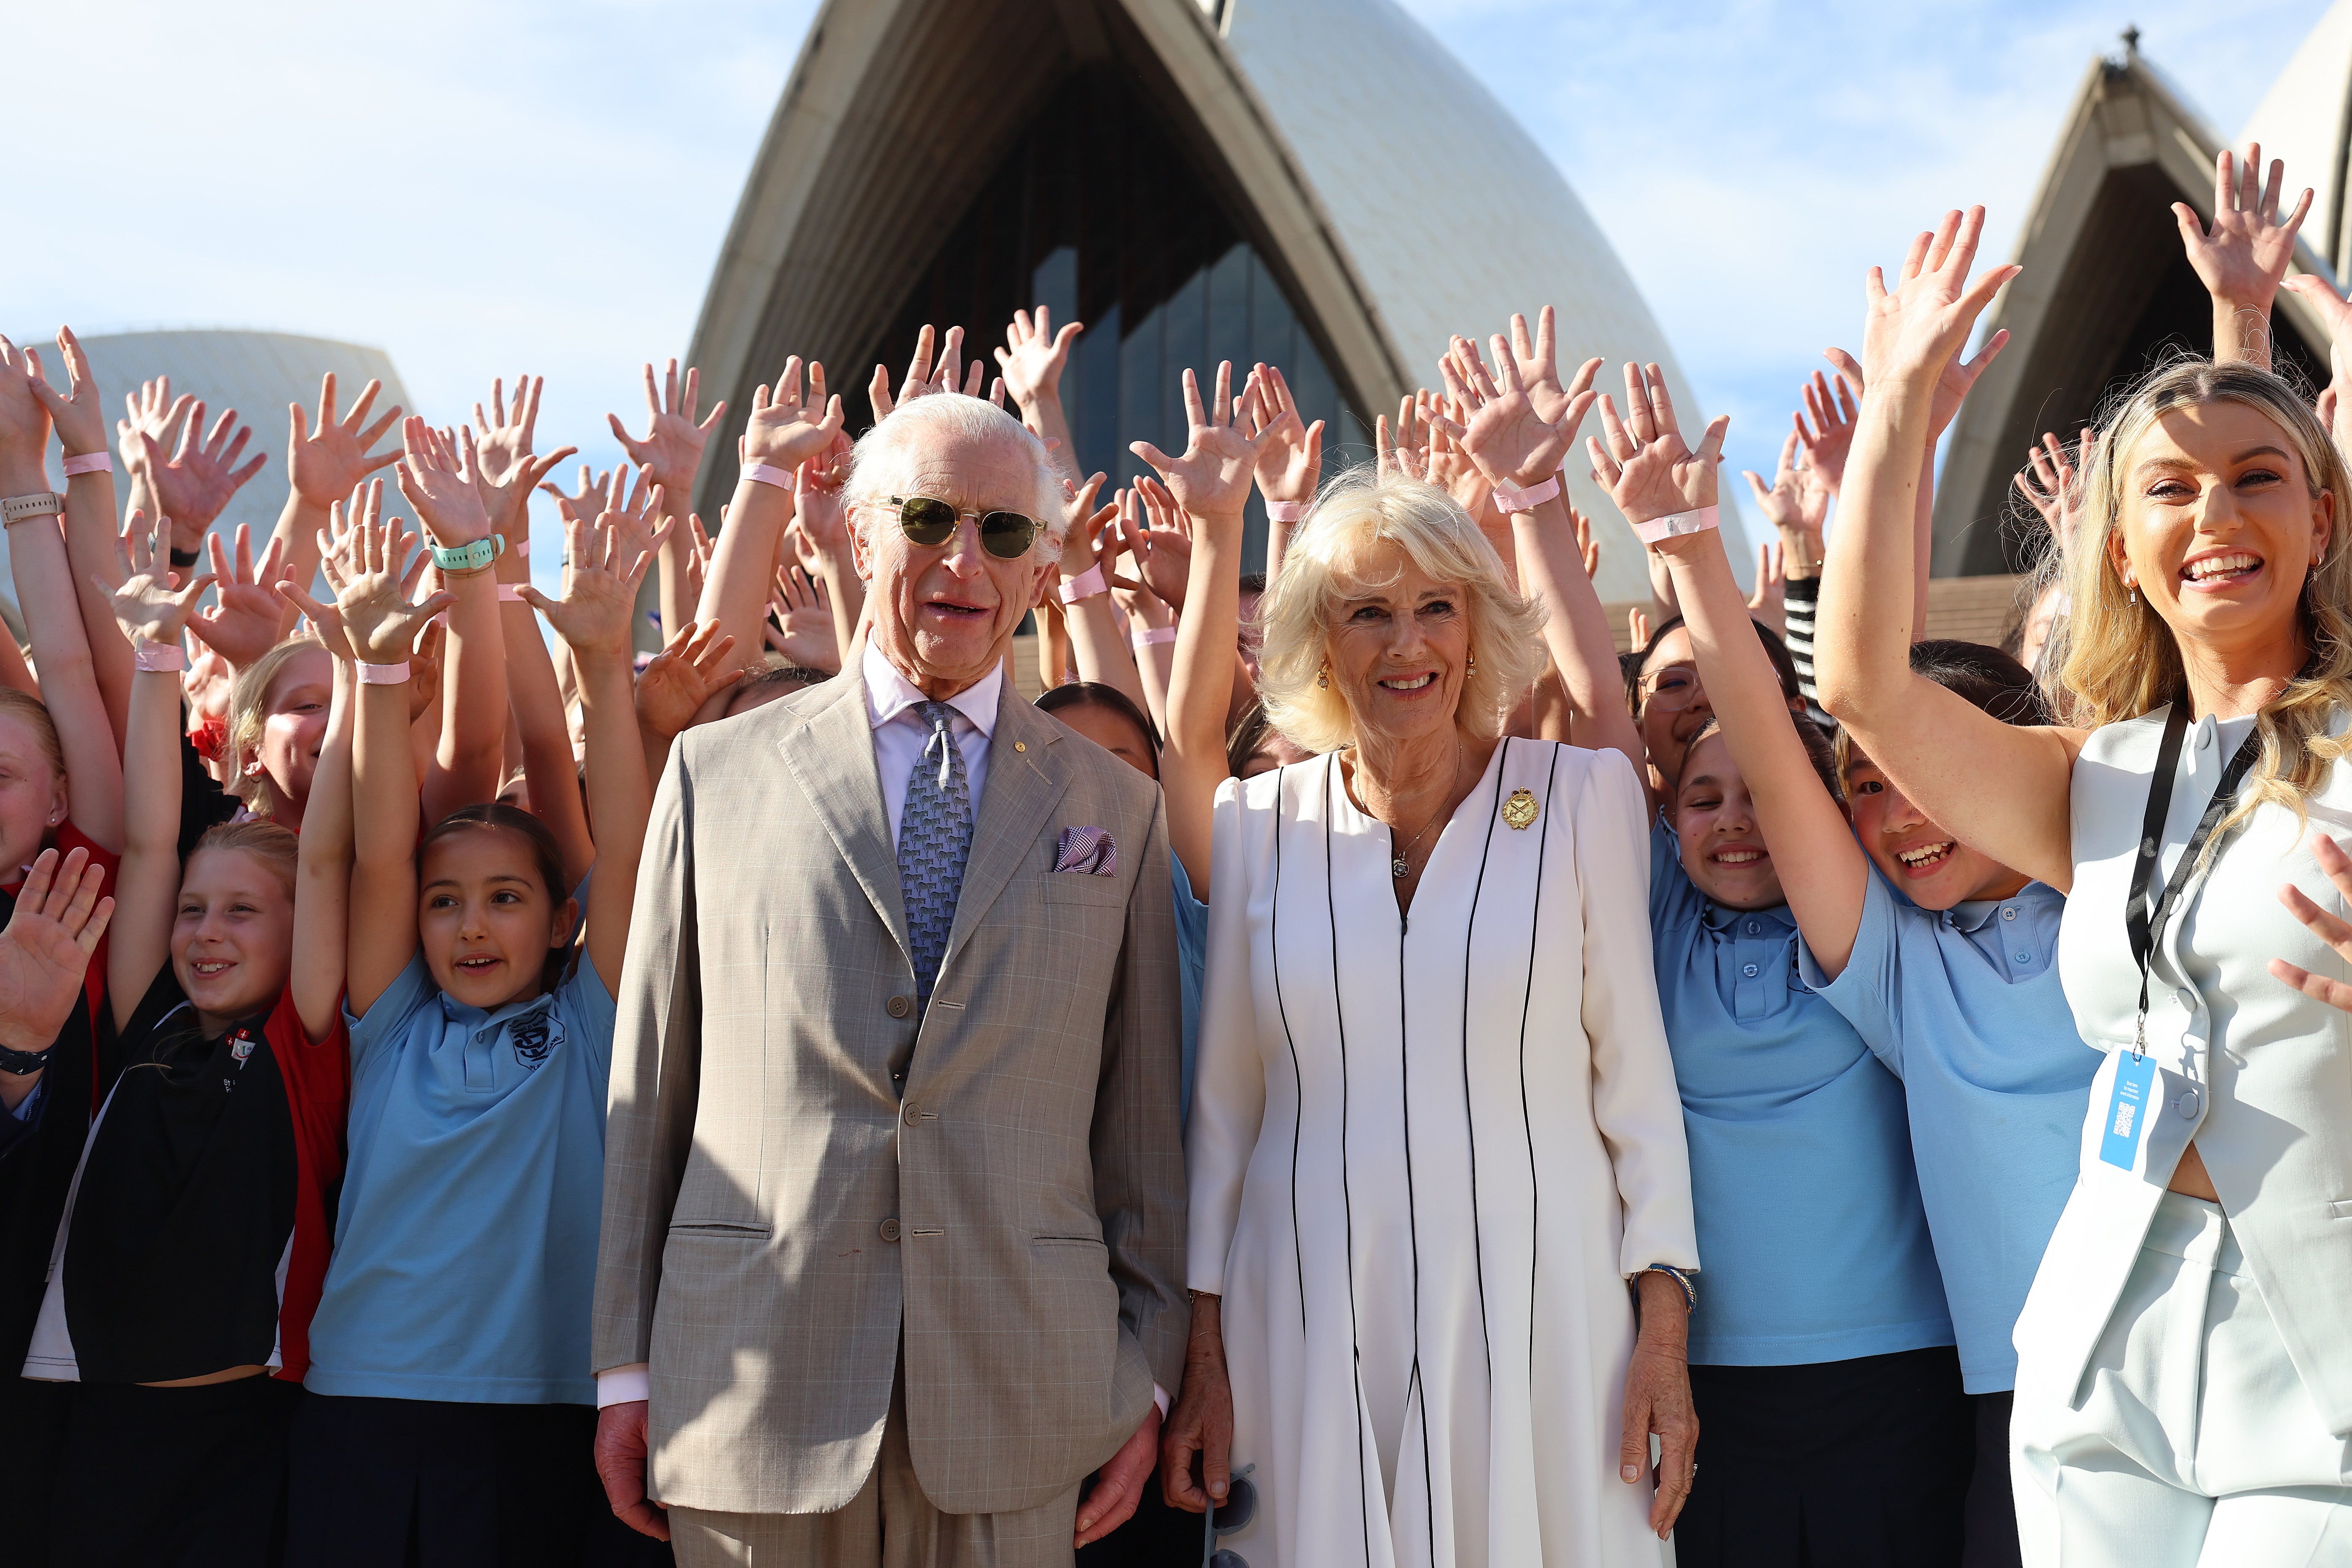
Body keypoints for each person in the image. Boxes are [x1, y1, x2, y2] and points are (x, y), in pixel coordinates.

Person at [1815, 203, 2352, 1563]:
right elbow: (1863, 688)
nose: (2213, 515)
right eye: (2169, 488)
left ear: (2322, 511)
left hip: (2320, 1344)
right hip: (2103, 1339)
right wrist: (1899, 415)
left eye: (2257, 477)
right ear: (2120, 545)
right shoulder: (2097, 773)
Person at [592, 383, 1186, 1563]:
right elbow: (650, 1086)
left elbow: (1140, 1123)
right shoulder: (715, 773)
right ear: (857, 534)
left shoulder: (1114, 802)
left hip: (1025, 1397)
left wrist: (1148, 1374)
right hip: (751, 1389)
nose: (964, 558)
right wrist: (623, 1366)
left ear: (1032, 567)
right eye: (928, 519)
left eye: (1002, 531)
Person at [1165, 358, 1700, 1561]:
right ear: (1317, 643)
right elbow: (1223, 1116)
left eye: (1435, 608)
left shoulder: (1582, 798)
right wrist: (1202, 1351)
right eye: (1367, 612)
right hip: (1299, 1320)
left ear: (1478, 626)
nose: (1406, 645)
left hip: (1547, 1313)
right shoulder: (1260, 826)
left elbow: (1636, 1090)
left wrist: (1660, 1333)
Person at [1582, 361, 1969, 1564]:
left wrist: (1727, 540)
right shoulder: (1647, 911)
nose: (1732, 819)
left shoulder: (1850, 917)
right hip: (1708, 1382)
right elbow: (1603, 724)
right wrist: (1545, 508)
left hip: (1896, 1373)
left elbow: (1858, 692)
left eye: (1764, 794)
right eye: (1699, 798)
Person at [283, 497, 702, 1563]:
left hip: (552, 1414)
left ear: (563, 916)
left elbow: (635, 854)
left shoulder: (595, 1025)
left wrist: (607, 668)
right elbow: (380, 856)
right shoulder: (389, 1027)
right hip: (364, 1406)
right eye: (446, 901)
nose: (471, 922)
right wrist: (376, 678)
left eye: (507, 897)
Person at [27, 513, 353, 1564]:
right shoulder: (147, 1017)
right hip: (92, 1423)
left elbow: (325, 858)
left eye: (242, 913)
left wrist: (360, 662)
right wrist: (159, 651)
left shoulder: (306, 1040)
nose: (207, 932)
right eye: (193, 913)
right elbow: (156, 836)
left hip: (232, 1435)